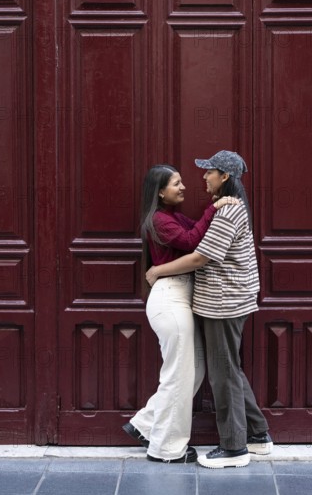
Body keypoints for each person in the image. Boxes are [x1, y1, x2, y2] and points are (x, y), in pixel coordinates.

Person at [146, 151, 273, 469]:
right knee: (231, 368)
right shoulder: (224, 208)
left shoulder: (228, 211)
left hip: (223, 303)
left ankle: (234, 448)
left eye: (210, 172)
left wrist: (156, 271)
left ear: (225, 177)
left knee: (223, 373)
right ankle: (258, 436)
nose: (203, 177)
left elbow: (202, 256)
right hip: (224, 300)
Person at [122, 164, 238, 463]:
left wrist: (214, 209)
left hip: (180, 296)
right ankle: (166, 448)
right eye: (176, 183)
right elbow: (191, 242)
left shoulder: (173, 216)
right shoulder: (159, 219)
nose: (183, 186)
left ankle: (146, 423)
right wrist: (216, 208)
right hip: (170, 299)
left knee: (194, 370)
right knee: (179, 374)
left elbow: (197, 229)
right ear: (160, 191)